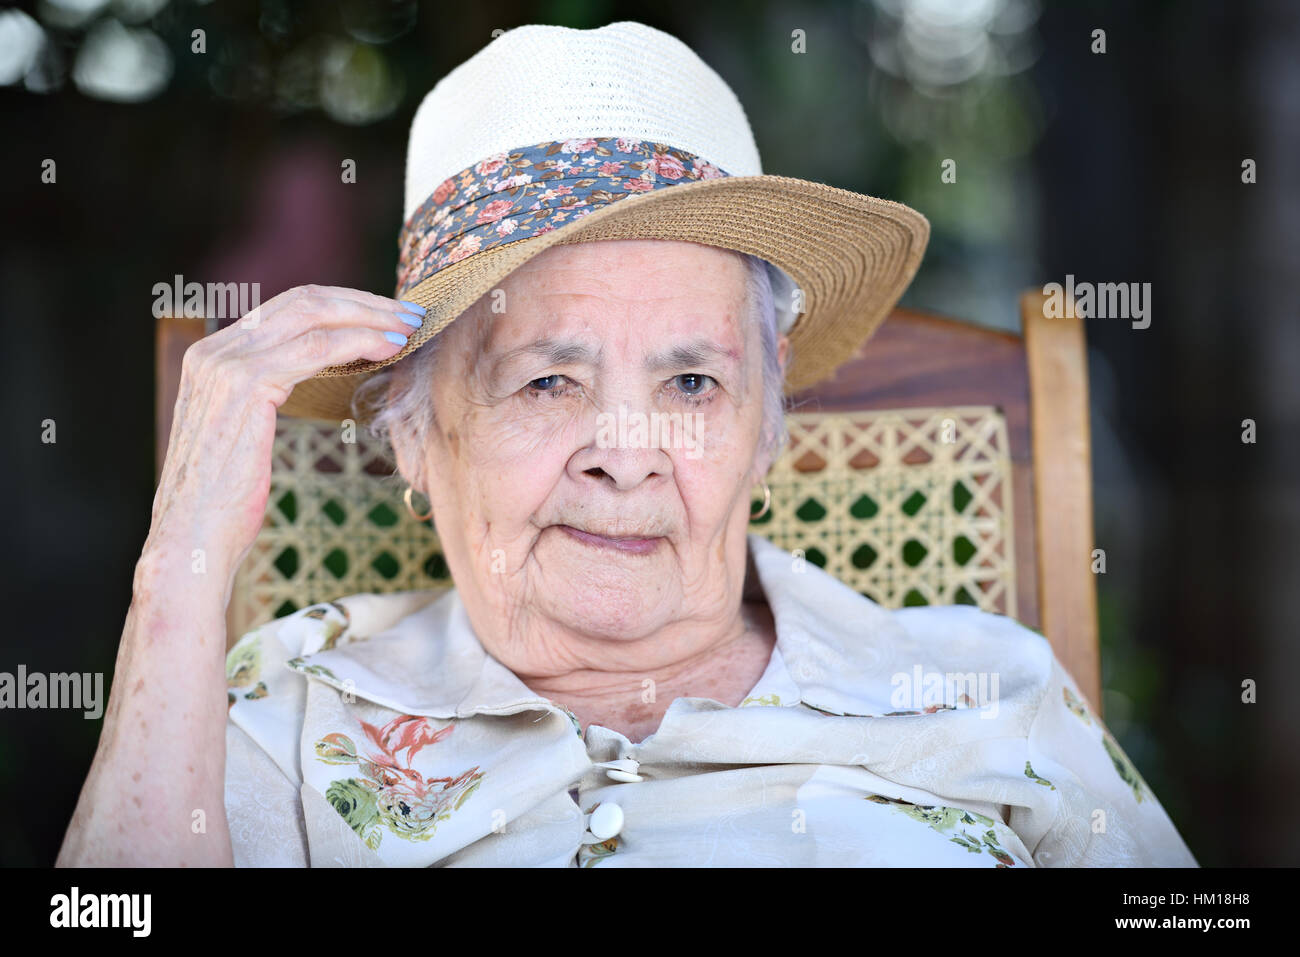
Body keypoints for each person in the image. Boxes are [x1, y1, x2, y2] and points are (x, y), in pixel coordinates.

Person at [57, 21, 1196, 867]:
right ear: (409, 434)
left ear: (764, 431)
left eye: (691, 381)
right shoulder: (281, 710)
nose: (627, 450)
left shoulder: (986, 689)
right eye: (548, 380)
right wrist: (176, 576)